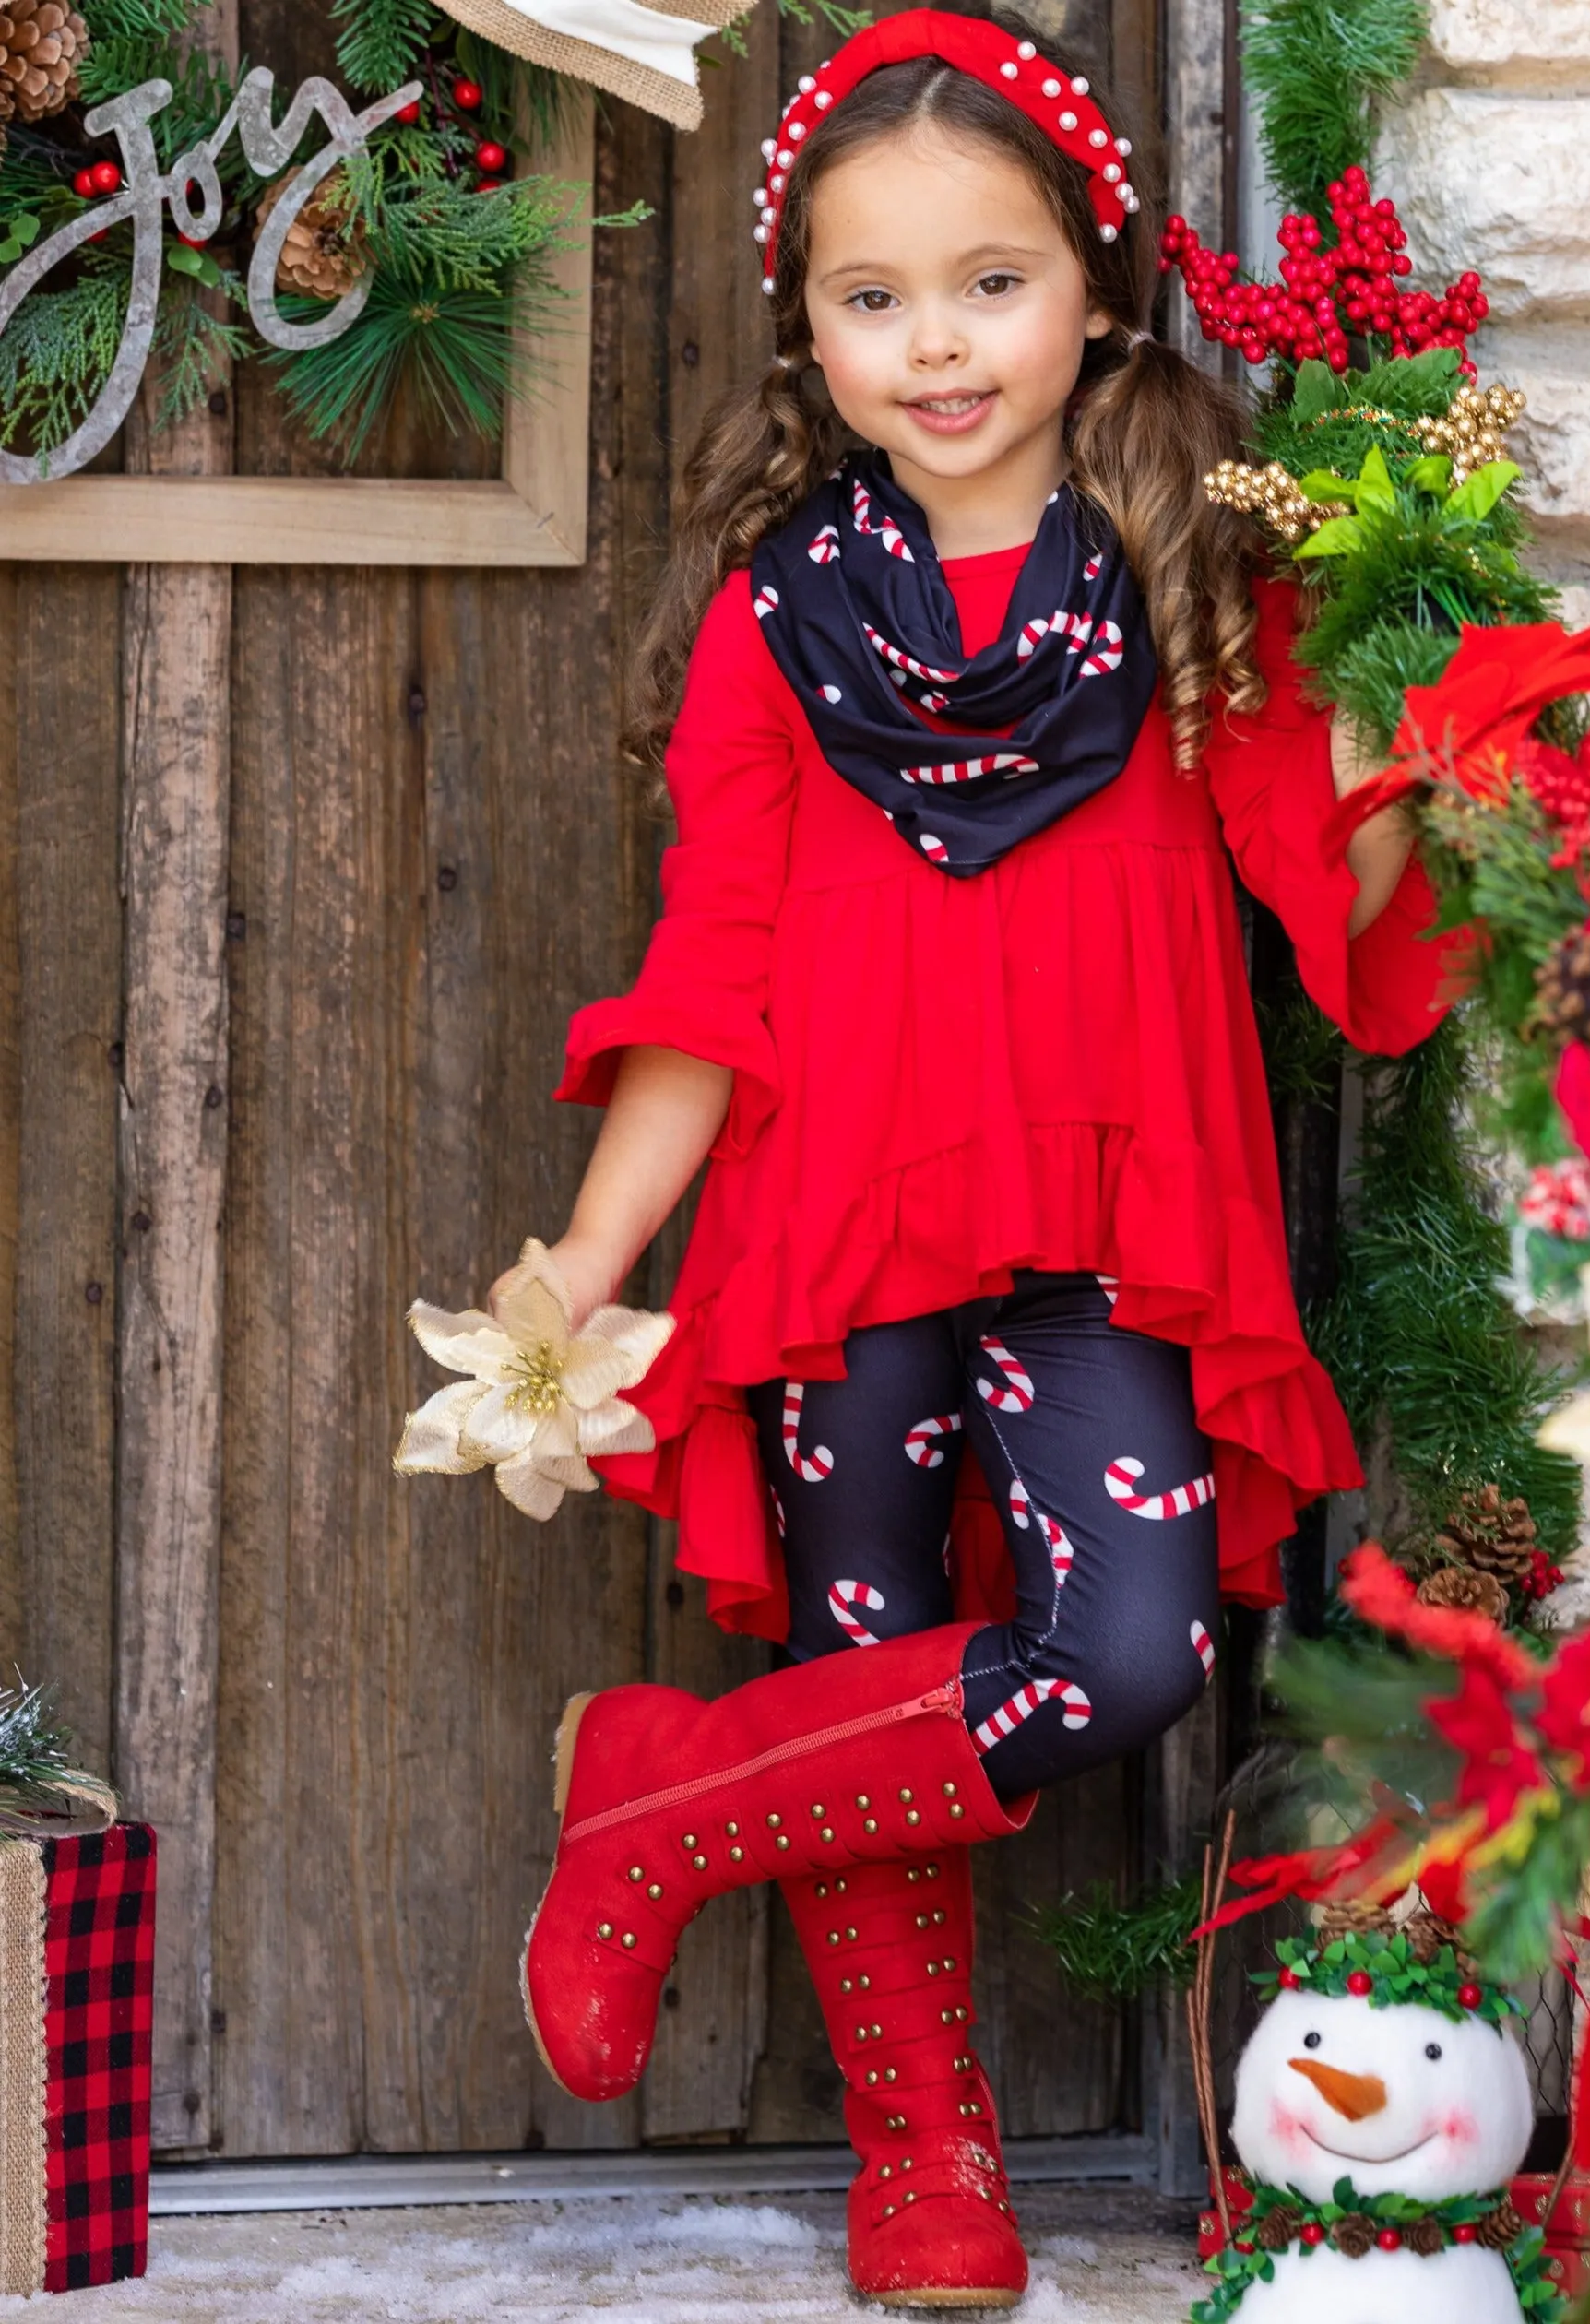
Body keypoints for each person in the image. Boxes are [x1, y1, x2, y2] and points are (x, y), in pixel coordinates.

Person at [507, 9, 1452, 2306]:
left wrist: (1427, 725)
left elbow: (1340, 899)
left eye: (990, 281)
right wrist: (584, 1263)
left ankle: (665, 1799)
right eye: (871, 297)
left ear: (1099, 291)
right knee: (870, 1632)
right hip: (842, 1216)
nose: (934, 342)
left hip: (1113, 1217)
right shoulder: (771, 622)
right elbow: (709, 978)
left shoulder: (1188, 569)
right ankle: (924, 2162)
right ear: (808, 331)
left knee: (1121, 1647)